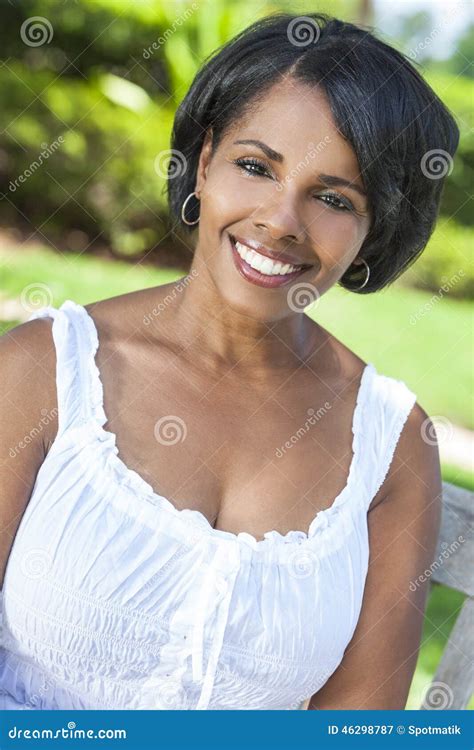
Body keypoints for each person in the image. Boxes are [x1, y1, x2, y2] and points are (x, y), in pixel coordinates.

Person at [0, 12, 459, 710]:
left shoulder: (391, 446)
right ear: (205, 162)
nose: (281, 221)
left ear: (374, 230)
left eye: (334, 198)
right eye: (256, 167)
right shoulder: (43, 372)